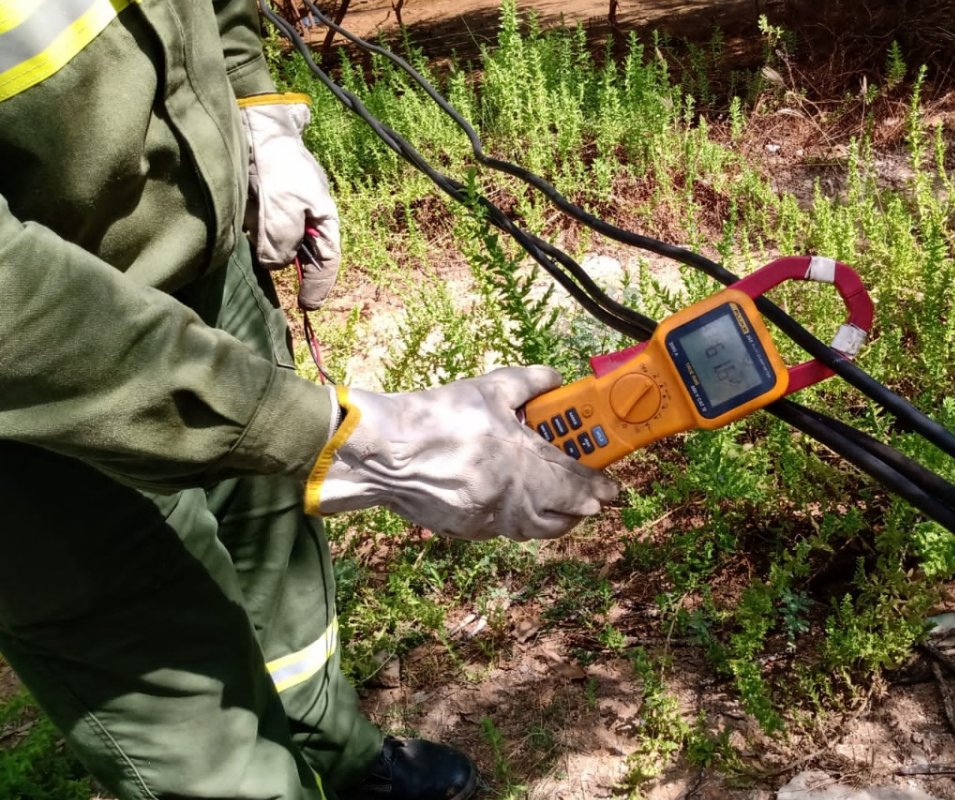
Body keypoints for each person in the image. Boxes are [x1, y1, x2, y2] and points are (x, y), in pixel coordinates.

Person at [0, 2, 618, 799]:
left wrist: (259, 118)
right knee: (159, 659)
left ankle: (345, 756)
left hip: (211, 278)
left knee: (275, 555)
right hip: (36, 398)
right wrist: (366, 439)